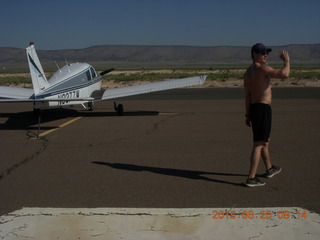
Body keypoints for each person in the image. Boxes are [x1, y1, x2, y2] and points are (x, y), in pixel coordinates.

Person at [243, 43, 290, 187]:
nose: (266, 55)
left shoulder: (248, 73)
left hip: (255, 109)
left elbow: (248, 96)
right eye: (262, 53)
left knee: (264, 141)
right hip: (263, 109)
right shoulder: (263, 69)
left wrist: (248, 114)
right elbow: (284, 74)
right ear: (254, 54)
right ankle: (251, 177)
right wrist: (287, 61)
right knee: (258, 143)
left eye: (266, 53)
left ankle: (269, 168)